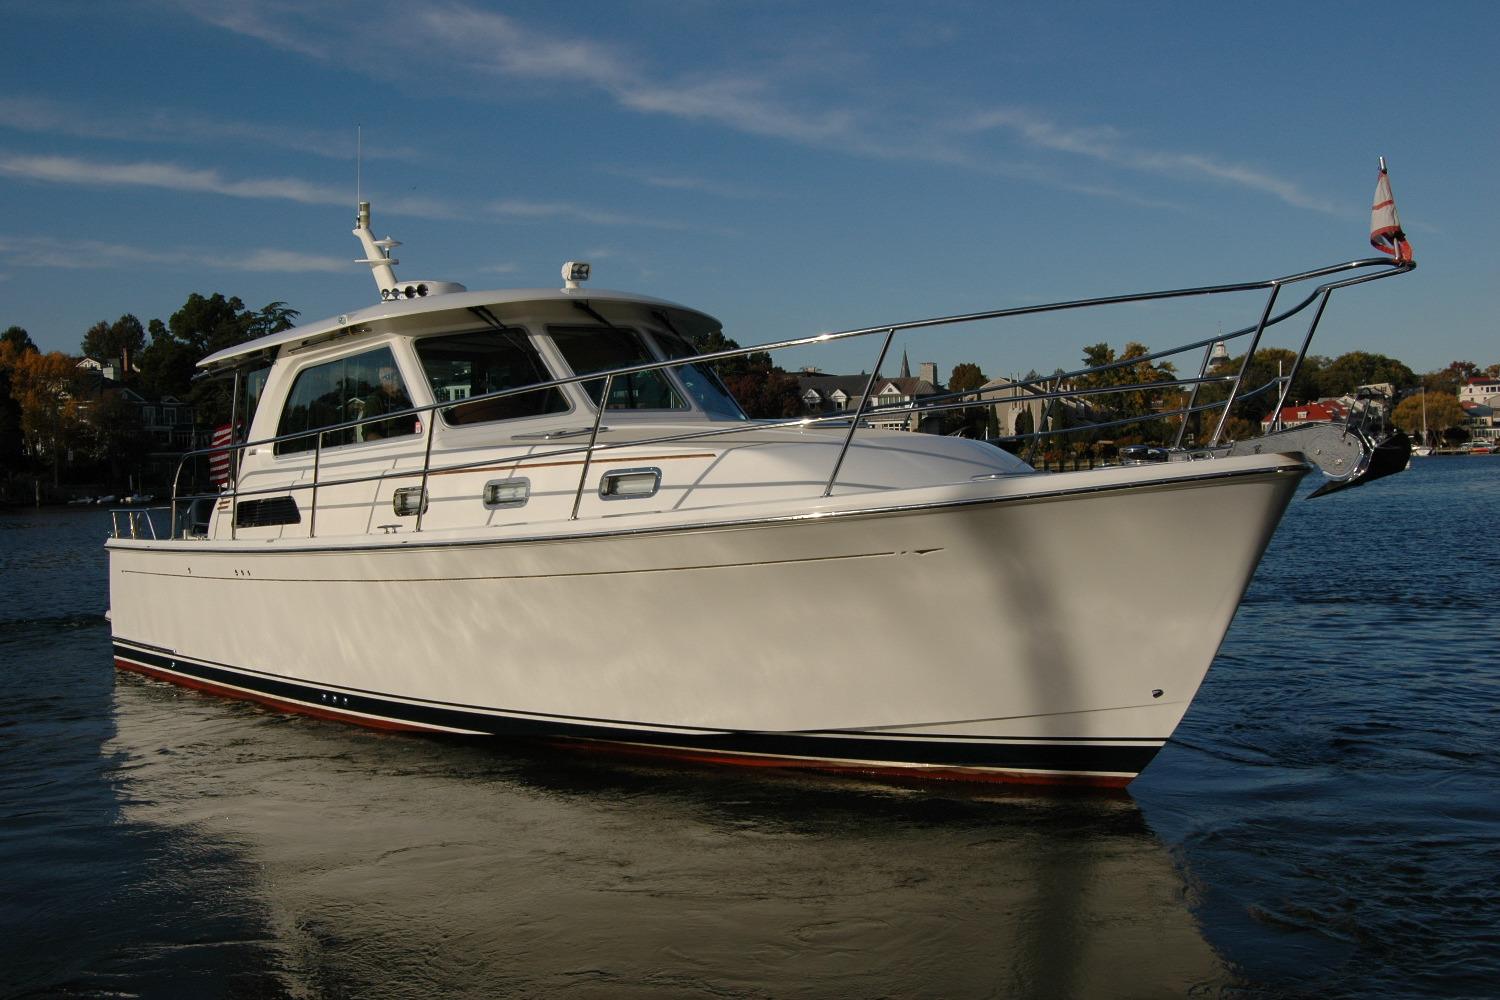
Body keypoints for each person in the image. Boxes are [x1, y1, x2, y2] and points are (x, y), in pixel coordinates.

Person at [361, 365, 417, 440]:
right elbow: (369, 434)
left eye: (396, 375)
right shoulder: (375, 401)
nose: (395, 378)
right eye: (389, 376)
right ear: (382, 381)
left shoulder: (407, 398)